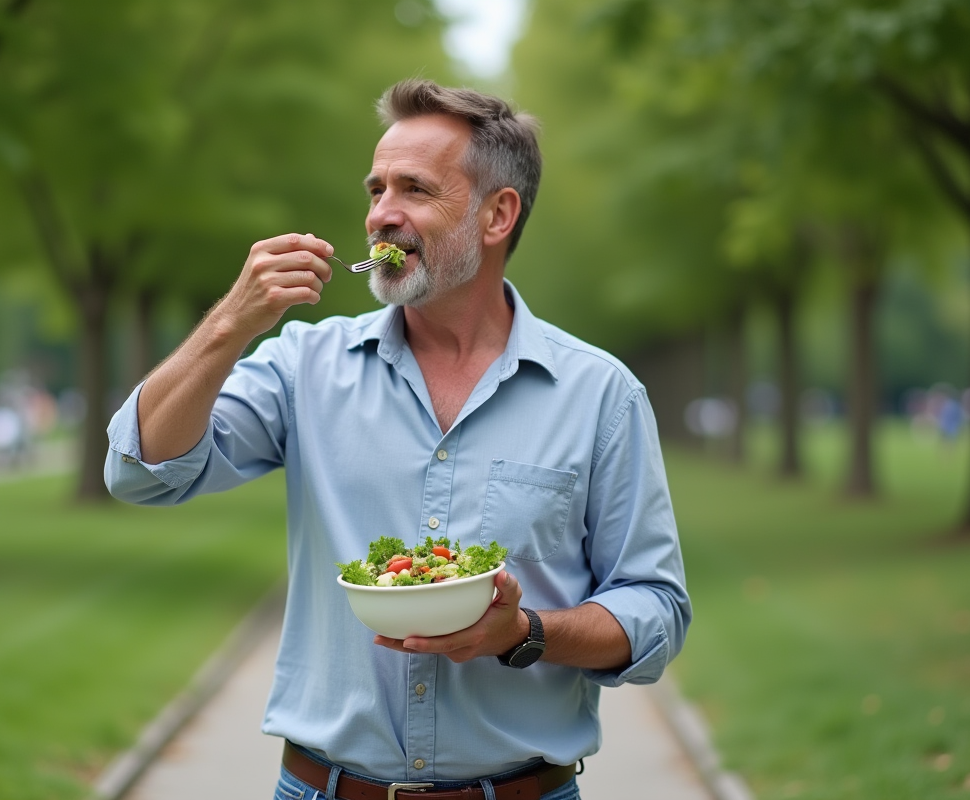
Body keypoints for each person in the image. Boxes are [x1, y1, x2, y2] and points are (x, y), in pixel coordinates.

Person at [105, 79, 691, 800]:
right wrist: (230, 322)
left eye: (414, 189)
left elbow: (655, 610)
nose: (381, 215)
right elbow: (140, 469)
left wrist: (523, 631)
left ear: (496, 215)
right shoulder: (304, 367)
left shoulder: (600, 395)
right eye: (375, 189)